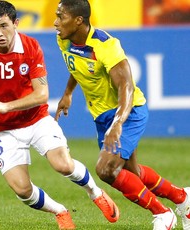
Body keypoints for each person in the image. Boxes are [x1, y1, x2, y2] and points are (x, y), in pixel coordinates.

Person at [0, 1, 120, 229]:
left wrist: (6, 106)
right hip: (1, 130)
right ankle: (60, 211)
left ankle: (95, 193)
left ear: (16, 23)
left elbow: (42, 94)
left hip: (36, 120)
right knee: (22, 190)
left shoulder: (30, 46)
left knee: (62, 165)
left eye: (4, 26)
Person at [54, 0, 190, 229]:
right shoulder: (64, 40)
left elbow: (126, 85)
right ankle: (182, 199)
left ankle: (163, 214)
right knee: (132, 172)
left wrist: (117, 123)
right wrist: (68, 93)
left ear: (78, 21)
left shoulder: (106, 45)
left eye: (61, 16)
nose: (56, 22)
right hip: (103, 117)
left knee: (106, 170)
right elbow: (76, 66)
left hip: (127, 111)